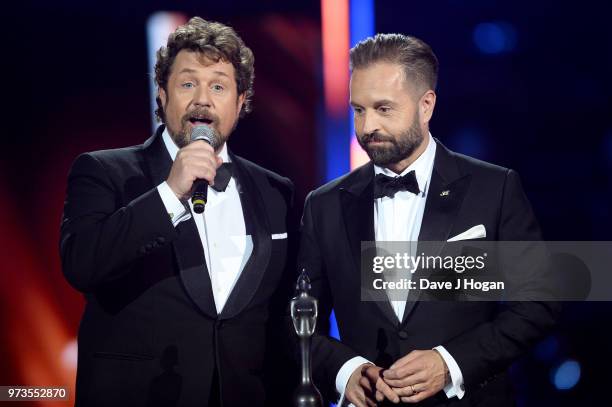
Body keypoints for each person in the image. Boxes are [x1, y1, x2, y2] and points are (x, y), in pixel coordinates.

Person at [298, 33, 559, 406]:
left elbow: (539, 304)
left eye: (383, 109)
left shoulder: (494, 188)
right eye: (358, 109)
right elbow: (299, 320)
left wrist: (449, 363)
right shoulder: (323, 205)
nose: (367, 125)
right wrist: (346, 370)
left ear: (426, 105)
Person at [60, 17, 295, 406]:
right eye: (188, 84)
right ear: (163, 96)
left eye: (218, 86)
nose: (202, 99)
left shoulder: (275, 191)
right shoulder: (103, 171)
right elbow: (82, 263)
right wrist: (169, 193)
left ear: (240, 103)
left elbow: (284, 313)